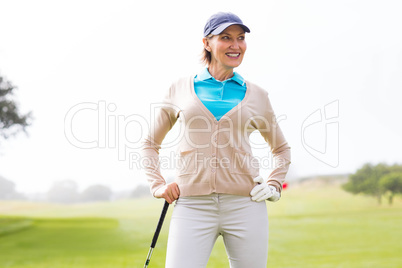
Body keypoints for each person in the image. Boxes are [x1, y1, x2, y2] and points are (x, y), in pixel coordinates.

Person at [141, 11, 291, 268]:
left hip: (246, 205)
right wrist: (158, 185)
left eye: (241, 38)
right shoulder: (179, 88)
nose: (235, 45)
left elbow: (281, 149)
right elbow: (149, 145)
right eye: (226, 37)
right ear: (207, 43)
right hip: (191, 206)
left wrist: (275, 184)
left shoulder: (258, 96)